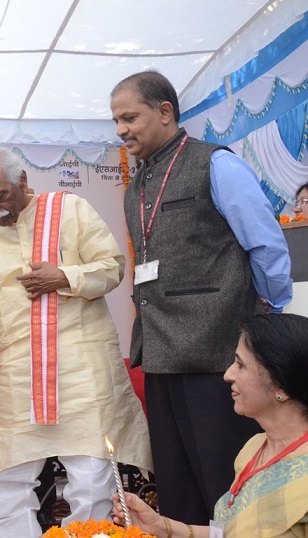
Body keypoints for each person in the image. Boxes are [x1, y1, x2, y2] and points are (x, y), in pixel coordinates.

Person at [0, 148, 152, 537]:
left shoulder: (71, 210)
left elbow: (112, 267)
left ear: (23, 181)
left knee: (91, 483)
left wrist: (64, 277)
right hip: (18, 378)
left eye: (0, 196)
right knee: (9, 486)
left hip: (81, 372)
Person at [110, 70, 293, 524]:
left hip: (218, 358)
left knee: (223, 483)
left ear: (164, 112)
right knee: (176, 487)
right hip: (160, 357)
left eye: (129, 118)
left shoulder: (216, 164)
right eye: (116, 121)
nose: (121, 130)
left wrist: (269, 313)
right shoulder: (136, 185)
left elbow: (265, 242)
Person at [113, 313, 308, 537]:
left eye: (240, 365)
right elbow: (227, 534)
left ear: (281, 386)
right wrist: (160, 527)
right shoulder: (254, 448)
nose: (228, 375)